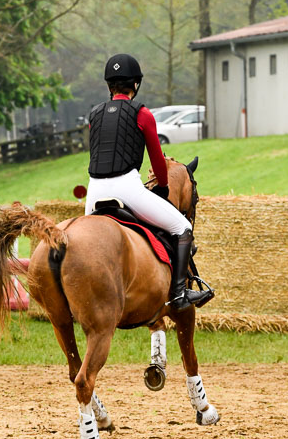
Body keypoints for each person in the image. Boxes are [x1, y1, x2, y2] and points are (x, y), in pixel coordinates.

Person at [85, 53, 211, 311]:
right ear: (135, 84)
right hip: (127, 187)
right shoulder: (142, 114)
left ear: (109, 85)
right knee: (182, 227)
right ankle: (178, 294)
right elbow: (156, 160)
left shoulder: (94, 115)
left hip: (93, 191)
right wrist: (163, 187)